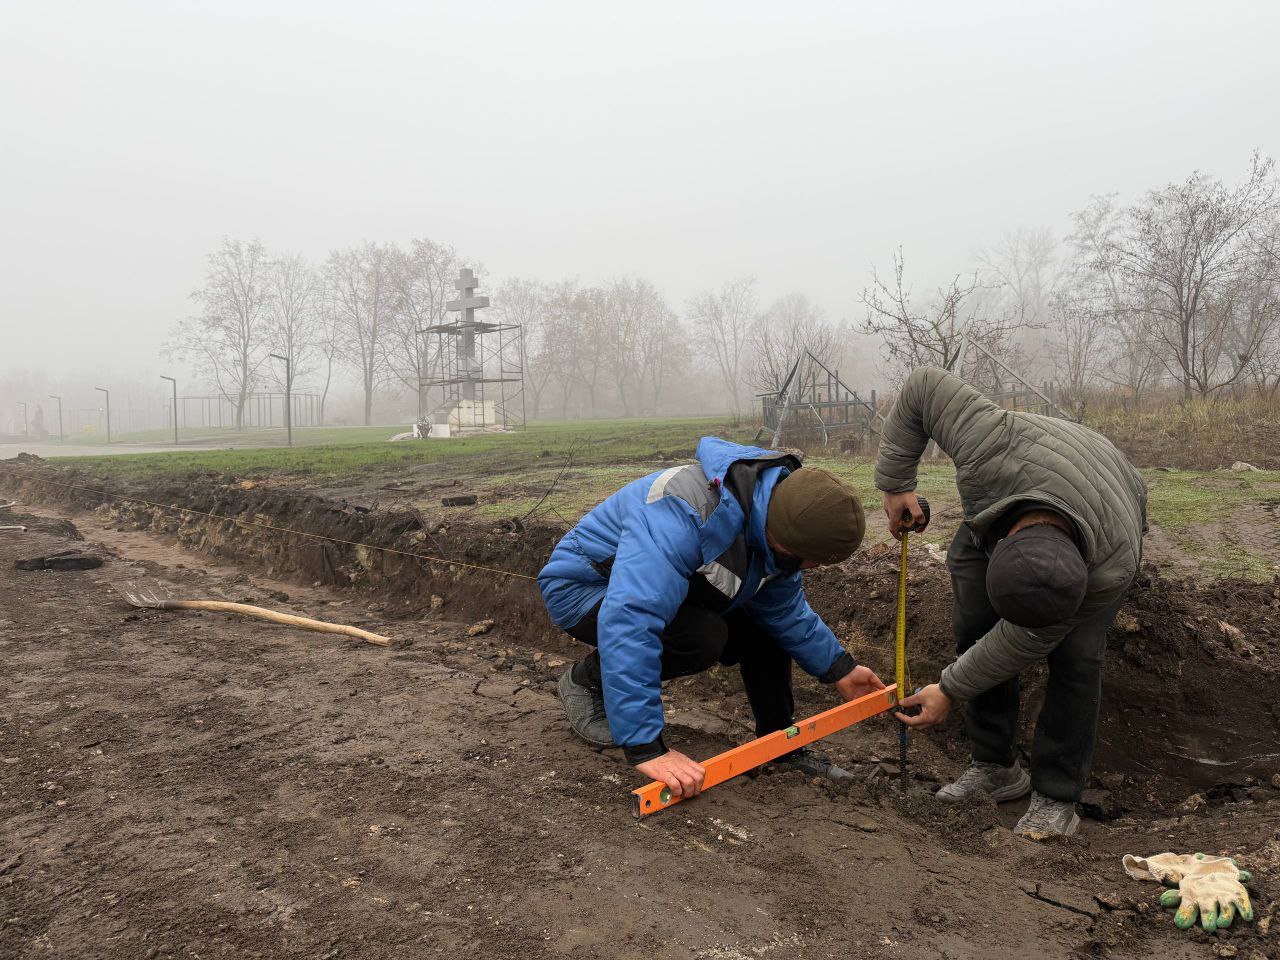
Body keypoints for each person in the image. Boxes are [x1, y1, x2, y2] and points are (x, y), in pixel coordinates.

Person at [877, 367, 1147, 839]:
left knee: (1078, 657)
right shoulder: (986, 444)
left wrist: (950, 688)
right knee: (975, 617)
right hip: (1022, 473)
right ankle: (995, 765)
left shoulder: (1109, 568)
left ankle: (1057, 794)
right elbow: (923, 386)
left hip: (1110, 492)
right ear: (997, 544)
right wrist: (896, 482)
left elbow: (1024, 639)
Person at [538, 436, 885, 801]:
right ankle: (586, 682)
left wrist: (840, 668)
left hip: (664, 590)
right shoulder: (683, 513)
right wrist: (646, 747)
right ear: (782, 536)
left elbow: (783, 611)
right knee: (701, 637)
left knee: (764, 625)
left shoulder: (778, 522)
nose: (811, 567)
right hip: (587, 588)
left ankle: (779, 741)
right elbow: (632, 617)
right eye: (808, 558)